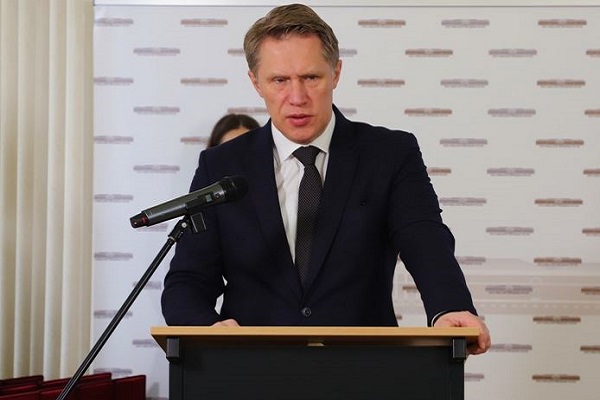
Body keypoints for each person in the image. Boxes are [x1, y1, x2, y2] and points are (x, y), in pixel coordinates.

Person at [162, 3, 491, 355]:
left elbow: (425, 239)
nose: (297, 98)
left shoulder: (389, 154)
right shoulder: (221, 165)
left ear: (336, 73)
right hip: (251, 366)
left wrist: (449, 307)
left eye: (311, 78)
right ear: (256, 82)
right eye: (279, 80)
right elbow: (189, 279)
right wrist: (207, 328)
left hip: (364, 367)